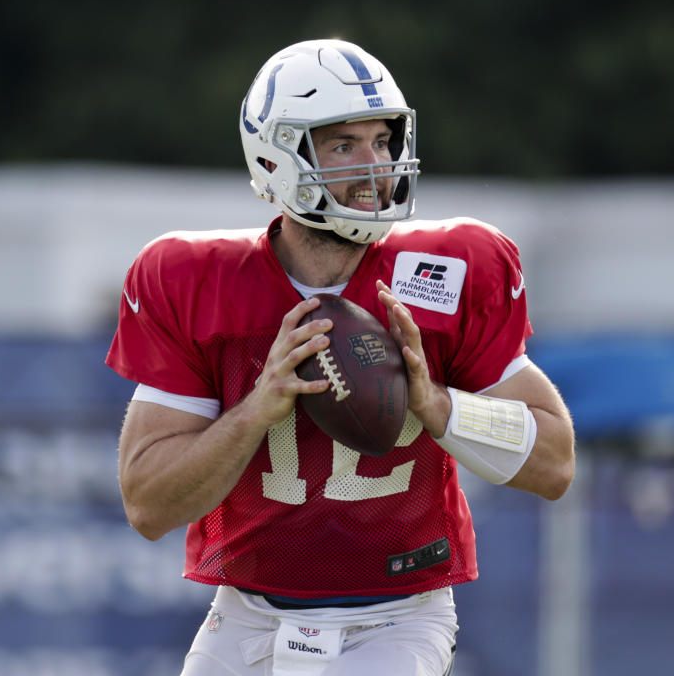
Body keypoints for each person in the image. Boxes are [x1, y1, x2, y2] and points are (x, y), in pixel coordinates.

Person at [106, 39, 575, 676]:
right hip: (248, 615)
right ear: (276, 158)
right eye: (343, 145)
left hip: (398, 617)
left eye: (383, 141)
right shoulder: (193, 278)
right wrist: (254, 411)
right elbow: (147, 505)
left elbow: (554, 463)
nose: (376, 166)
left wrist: (437, 406)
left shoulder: (449, 269)